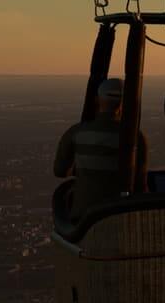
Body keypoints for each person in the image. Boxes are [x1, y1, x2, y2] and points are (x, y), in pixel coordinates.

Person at [53, 78, 148, 217]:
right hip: (119, 215)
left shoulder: (76, 133)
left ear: (97, 100)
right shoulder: (136, 137)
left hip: (82, 217)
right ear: (125, 103)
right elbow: (140, 185)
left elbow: (60, 171)